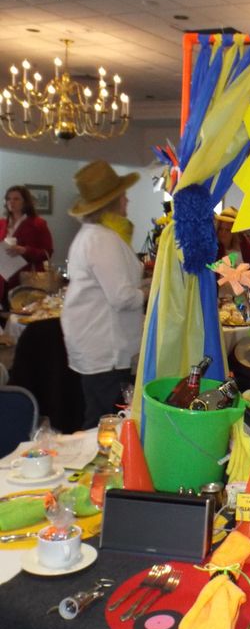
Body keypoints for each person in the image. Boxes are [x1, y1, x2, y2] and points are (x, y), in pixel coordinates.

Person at [61, 161, 145, 429]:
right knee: (105, 421)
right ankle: (101, 469)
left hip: (96, 343)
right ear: (113, 202)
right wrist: (149, 293)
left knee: (100, 415)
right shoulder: (102, 239)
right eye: (123, 196)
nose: (128, 200)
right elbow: (121, 297)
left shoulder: (94, 235)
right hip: (104, 346)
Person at [0, 184, 53, 306]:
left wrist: (25, 250)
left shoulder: (38, 224)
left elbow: (48, 252)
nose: (11, 202)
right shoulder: (2, 224)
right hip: (3, 280)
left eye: (16, 199)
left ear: (25, 202)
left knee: (23, 319)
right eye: (8, 199)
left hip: (25, 280)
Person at [215, 207, 250, 272]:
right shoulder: (214, 248)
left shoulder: (245, 246)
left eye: (227, 230)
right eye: (221, 229)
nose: (223, 233)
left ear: (235, 232)